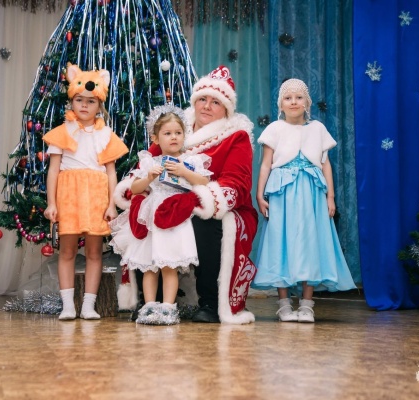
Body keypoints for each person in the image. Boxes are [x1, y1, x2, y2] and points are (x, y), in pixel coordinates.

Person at [115, 65, 258, 324]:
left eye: (216, 102)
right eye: (202, 99)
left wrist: (198, 199)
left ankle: (210, 302)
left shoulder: (236, 136)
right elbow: (146, 165)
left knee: (204, 223)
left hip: (216, 207)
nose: (207, 106)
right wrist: (139, 187)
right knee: (149, 218)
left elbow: (237, 184)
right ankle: (152, 302)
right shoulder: (177, 126)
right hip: (168, 201)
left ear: (226, 108)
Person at [252, 78, 356, 323]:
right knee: (281, 240)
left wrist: (330, 197)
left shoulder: (317, 129)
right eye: (288, 98)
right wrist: (260, 194)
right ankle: (284, 304)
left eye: (299, 97)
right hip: (282, 192)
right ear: (281, 104)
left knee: (311, 241)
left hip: (311, 192)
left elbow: (325, 164)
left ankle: (307, 305)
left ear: (307, 103)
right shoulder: (274, 129)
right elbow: (266, 164)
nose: (293, 102)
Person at [110, 105, 212, 325]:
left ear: (184, 135)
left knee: (169, 265)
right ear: (156, 138)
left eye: (178, 132)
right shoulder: (150, 162)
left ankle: (168, 307)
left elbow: (204, 182)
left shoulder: (191, 161)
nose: (173, 137)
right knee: (149, 266)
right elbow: (134, 189)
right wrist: (148, 177)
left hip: (175, 219)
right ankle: (149, 306)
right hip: (152, 218)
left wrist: (185, 172)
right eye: (167, 133)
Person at [43, 64, 128, 321]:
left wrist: (111, 204)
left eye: (91, 101)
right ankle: (68, 306)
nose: (84, 105)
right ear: (72, 100)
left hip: (96, 197)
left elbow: (111, 173)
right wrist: (51, 203)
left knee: (94, 252)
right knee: (67, 251)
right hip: (69, 197)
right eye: (79, 99)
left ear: (99, 105)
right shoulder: (62, 132)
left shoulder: (105, 134)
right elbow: (53, 171)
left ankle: (88, 305)